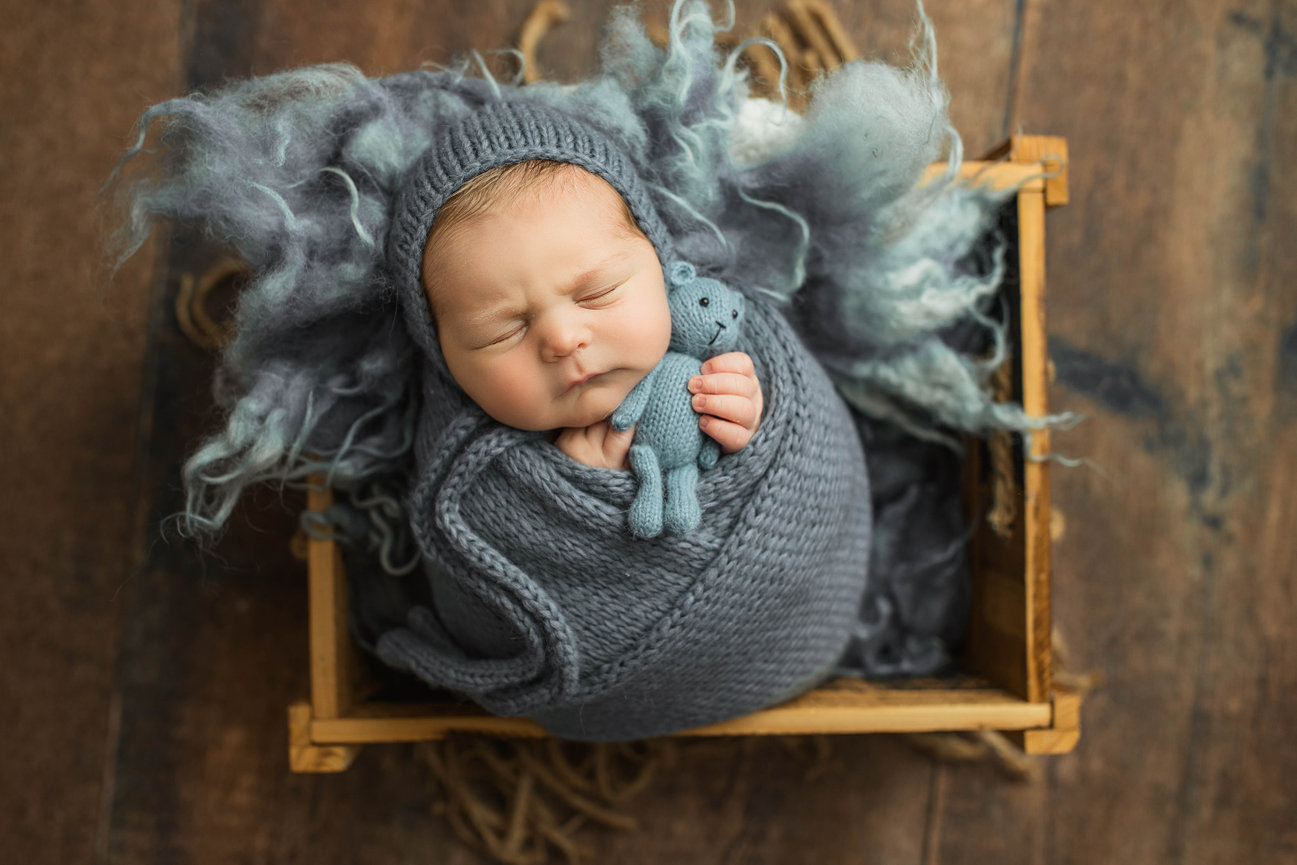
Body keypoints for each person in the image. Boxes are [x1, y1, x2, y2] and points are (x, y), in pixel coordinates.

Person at [416, 157, 765, 472]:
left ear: (662, 269)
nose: (564, 340)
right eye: (503, 332)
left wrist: (747, 417)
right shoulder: (462, 473)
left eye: (597, 293)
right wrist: (568, 499)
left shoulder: (721, 340)